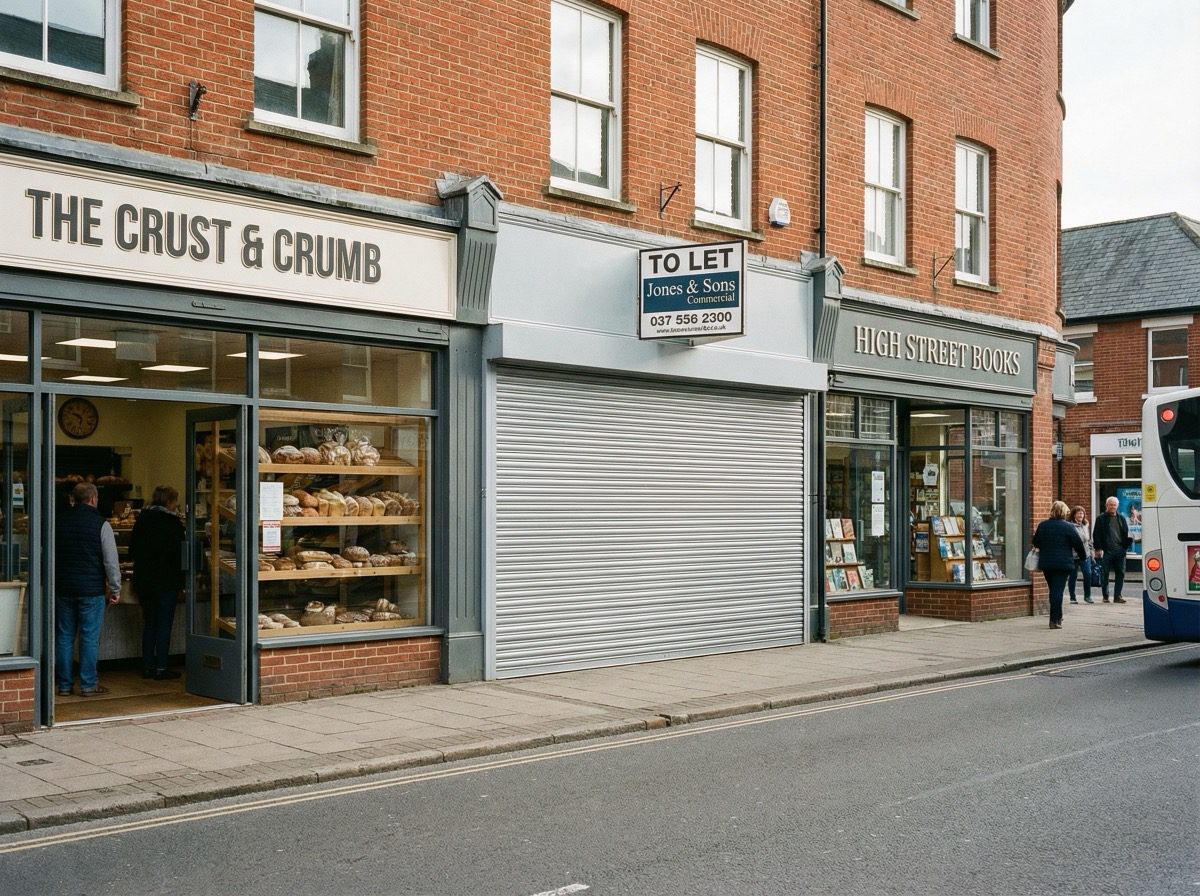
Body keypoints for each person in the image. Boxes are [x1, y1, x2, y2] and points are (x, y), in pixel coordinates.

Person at [55, 481, 122, 697]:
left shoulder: (59, 522)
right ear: (93, 499)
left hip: (64, 587)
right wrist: (115, 588)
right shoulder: (101, 524)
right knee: (89, 637)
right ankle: (88, 684)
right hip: (91, 590)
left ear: (73, 499)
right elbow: (110, 561)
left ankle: (64, 685)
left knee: (64, 637)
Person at [129, 485, 186, 680]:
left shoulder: (142, 520)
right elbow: (181, 556)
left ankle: (147, 666)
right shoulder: (173, 523)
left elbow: (132, 551)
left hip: (145, 581)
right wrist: (182, 583)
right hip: (167, 581)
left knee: (150, 623)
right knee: (164, 625)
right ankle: (161, 667)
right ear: (170, 501)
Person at [1032, 500, 1086, 629]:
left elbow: (1036, 542)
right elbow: (1078, 544)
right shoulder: (1068, 527)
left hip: (1046, 563)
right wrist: (1083, 557)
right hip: (1063, 564)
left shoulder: (1043, 525)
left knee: (1053, 590)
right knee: (1058, 591)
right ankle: (1053, 620)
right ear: (1064, 512)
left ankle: (1058, 616)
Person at [1091, 496, 1132, 603]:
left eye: (1114, 505)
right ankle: (1105, 596)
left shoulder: (1121, 518)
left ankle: (1117, 596)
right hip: (1106, 551)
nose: (1113, 507)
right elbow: (1096, 534)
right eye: (1111, 505)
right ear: (1106, 506)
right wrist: (1098, 548)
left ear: (1117, 506)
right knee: (1105, 574)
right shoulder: (1101, 519)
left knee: (1120, 574)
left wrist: (1125, 548)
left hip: (1120, 551)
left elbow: (1126, 533)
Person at [1067, 505, 1094, 604]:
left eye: (1082, 513)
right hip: (1073, 555)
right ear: (1074, 515)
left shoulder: (1085, 525)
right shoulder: (1070, 526)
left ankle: (1087, 596)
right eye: (1078, 513)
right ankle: (1072, 597)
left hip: (1086, 555)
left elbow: (1088, 540)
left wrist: (1091, 551)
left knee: (1088, 574)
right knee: (1073, 576)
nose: (1080, 515)